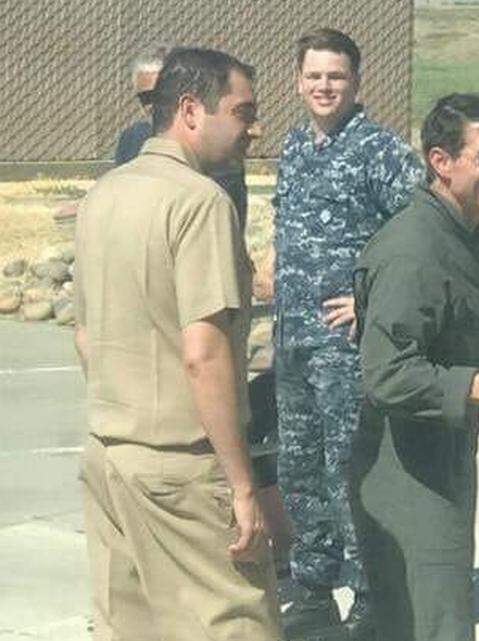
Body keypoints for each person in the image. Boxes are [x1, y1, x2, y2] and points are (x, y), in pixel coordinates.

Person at [72, 47, 281, 641]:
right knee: (234, 624)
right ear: (191, 110)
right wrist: (243, 486)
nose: (253, 128)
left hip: (111, 455)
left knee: (131, 627)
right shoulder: (200, 201)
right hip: (182, 469)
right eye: (242, 112)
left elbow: (86, 336)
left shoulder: (104, 195)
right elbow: (204, 353)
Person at [350, 92, 479, 641]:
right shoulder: (416, 247)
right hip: (407, 468)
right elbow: (387, 372)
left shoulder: (465, 232)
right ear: (441, 162)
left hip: (443, 451)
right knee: (432, 624)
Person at [268, 27, 424, 640]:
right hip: (294, 341)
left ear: (356, 82)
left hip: (345, 347)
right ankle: (313, 588)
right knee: (299, 466)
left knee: (349, 467)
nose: (324, 86)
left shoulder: (380, 152)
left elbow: (421, 234)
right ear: (298, 81)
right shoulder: (294, 146)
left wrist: (372, 304)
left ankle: (369, 593)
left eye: (336, 76)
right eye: (314, 76)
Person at [113, 45, 250, 230]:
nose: (153, 105)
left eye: (160, 95)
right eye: (145, 97)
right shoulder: (131, 139)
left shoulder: (213, 147)